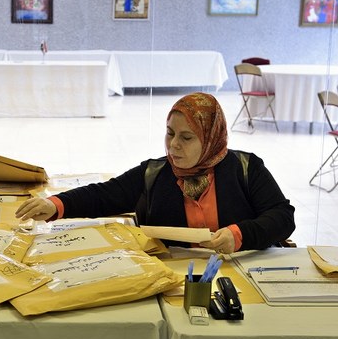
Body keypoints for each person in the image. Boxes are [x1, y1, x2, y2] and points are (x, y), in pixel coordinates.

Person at [15, 92, 295, 253]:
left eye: (186, 138)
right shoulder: (155, 173)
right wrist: (54, 204)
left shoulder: (247, 169)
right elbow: (105, 195)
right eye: (170, 133)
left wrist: (239, 235)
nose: (173, 145)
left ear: (211, 138)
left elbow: (282, 217)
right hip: (174, 278)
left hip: (236, 276)